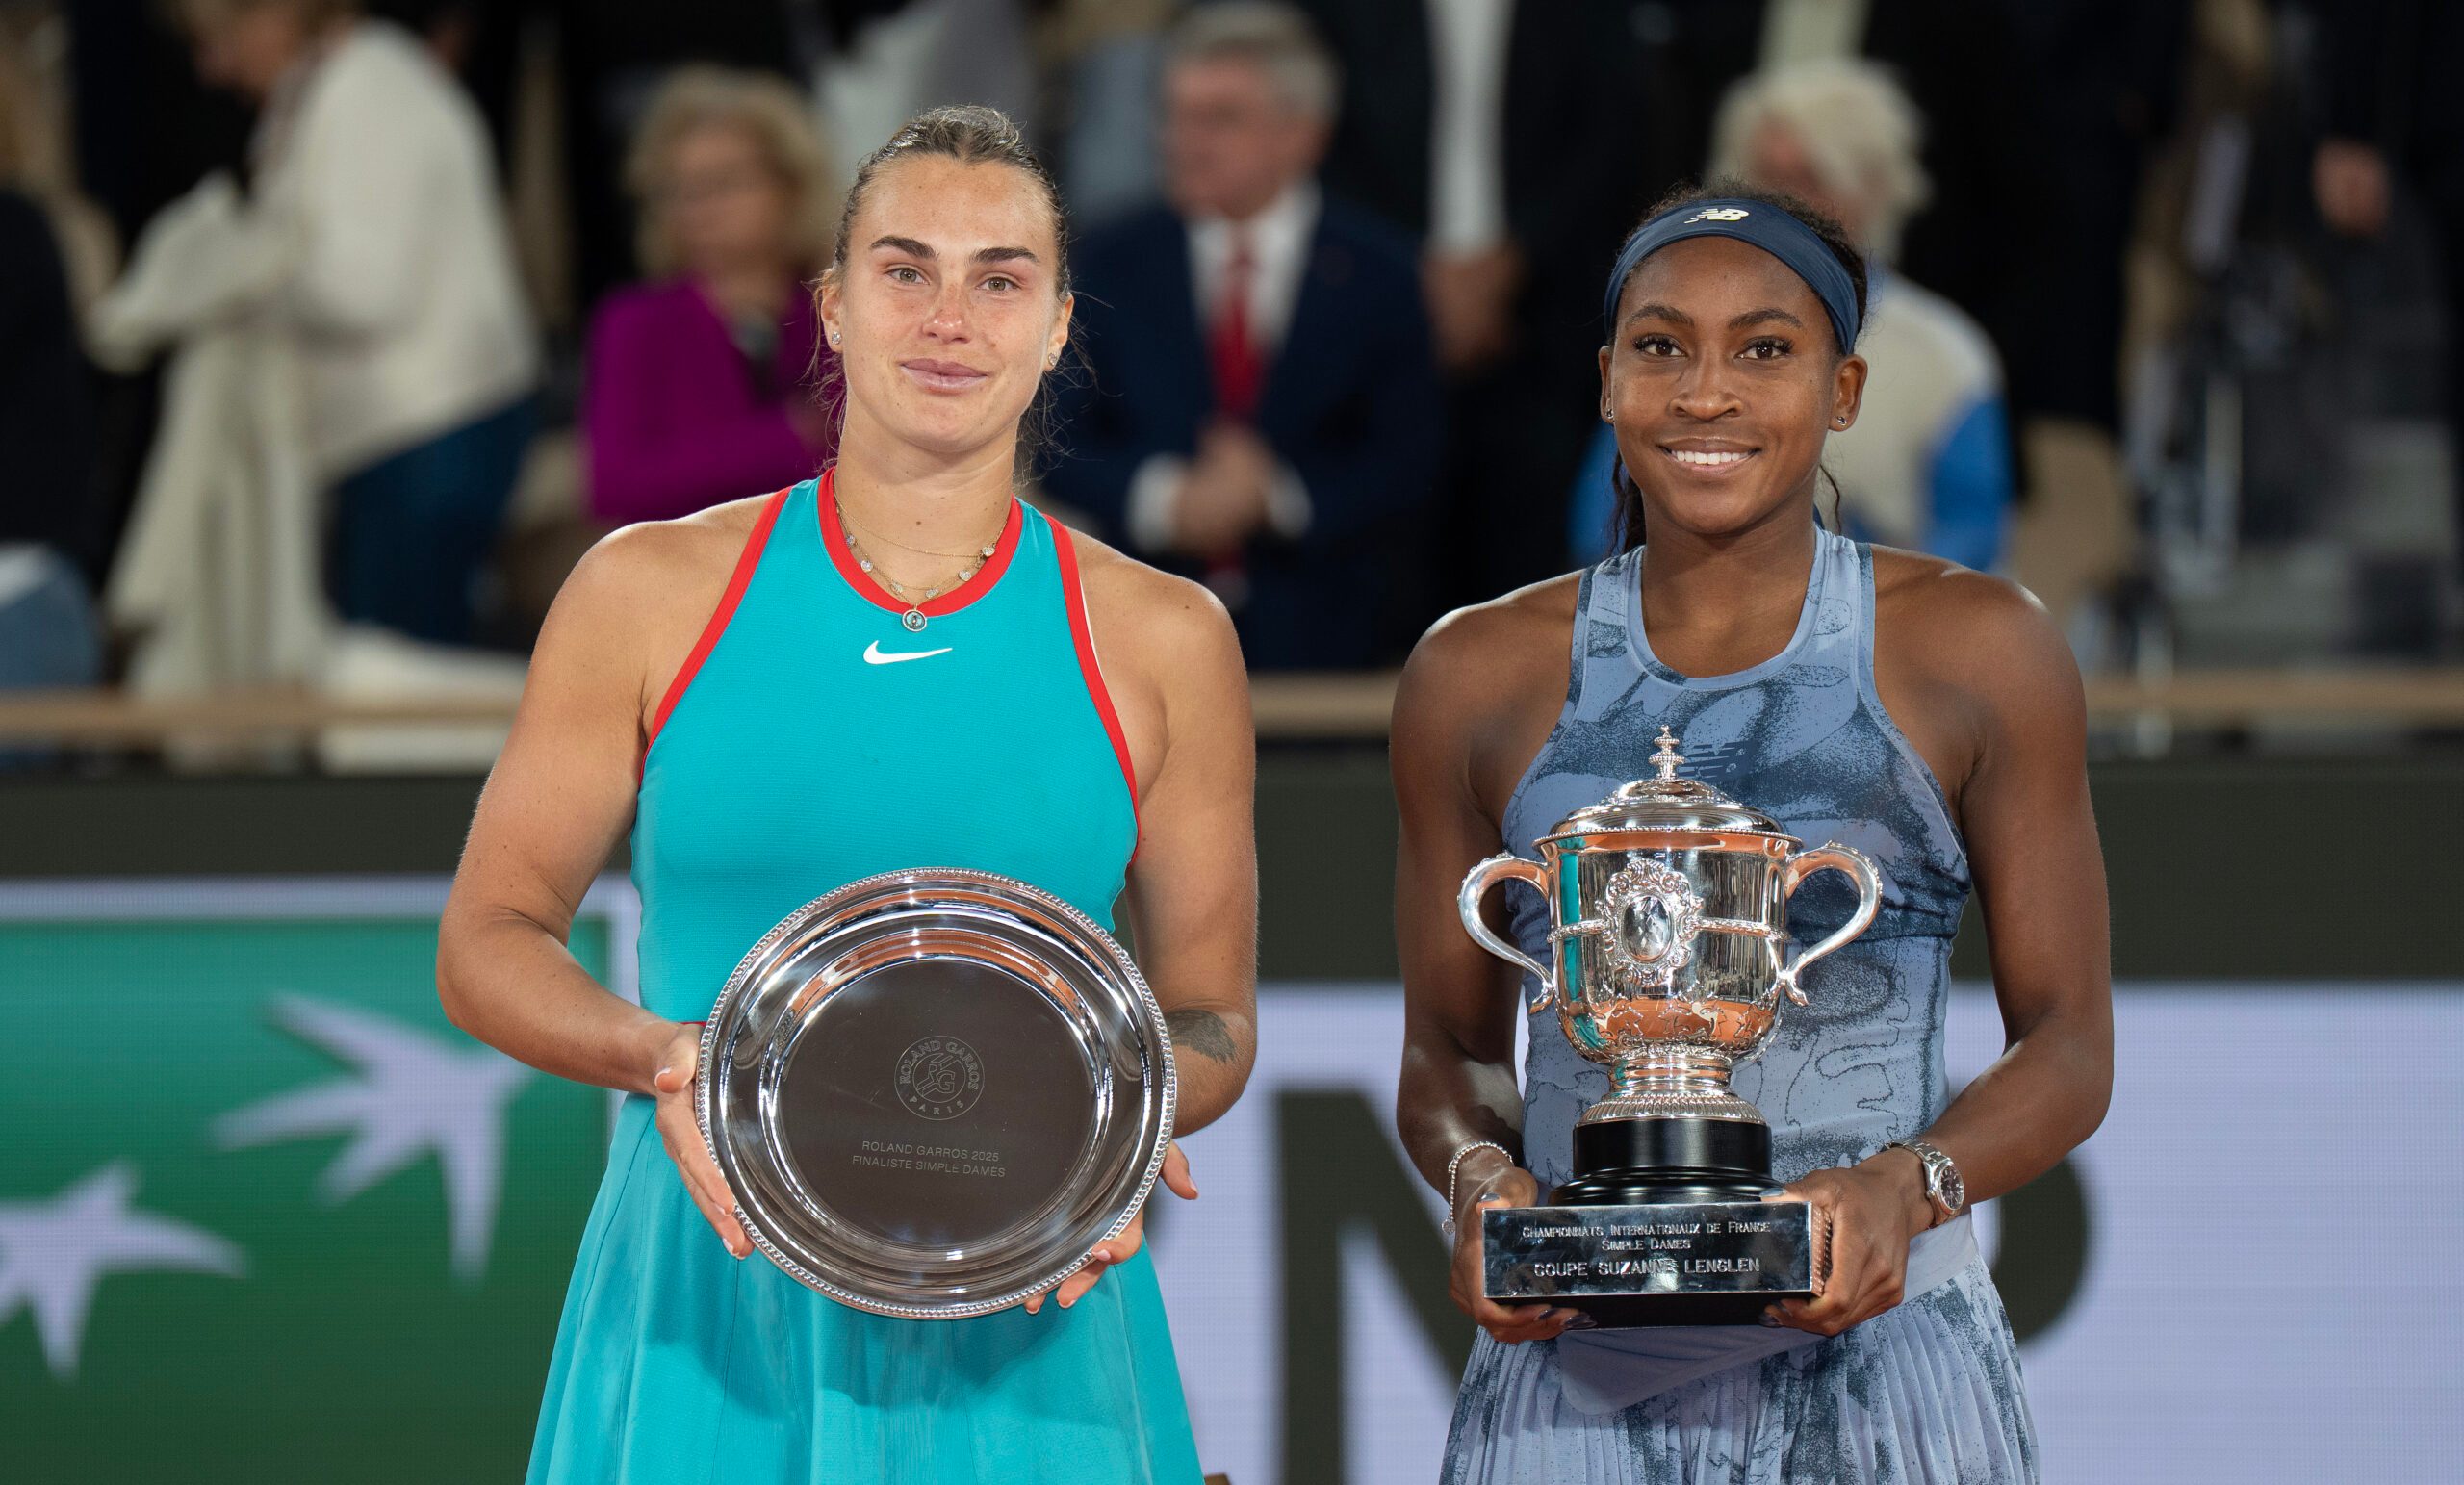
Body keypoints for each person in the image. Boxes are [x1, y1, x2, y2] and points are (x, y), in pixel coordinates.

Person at [437, 106, 1256, 1483]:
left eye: (1000, 278)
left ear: (1058, 325)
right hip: (710, 1288)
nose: (951, 316)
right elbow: (488, 936)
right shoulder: (646, 590)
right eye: (904, 268)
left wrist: (1130, 1123)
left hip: (1028, 1307)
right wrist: (664, 1056)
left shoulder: (1167, 637)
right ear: (830, 306)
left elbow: (1211, 1011)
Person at [1393, 186, 2112, 1481]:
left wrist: (1913, 1180)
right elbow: (1447, 1054)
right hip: (1569, 1388)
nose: (1706, 390)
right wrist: (1479, 1182)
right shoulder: (1473, 672)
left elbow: (2070, 1044)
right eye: (1662, 345)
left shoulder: (1981, 646)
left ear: (1844, 391)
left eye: (1764, 349)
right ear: (1608, 379)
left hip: (1894, 1377)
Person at [1046, 1, 1441, 669]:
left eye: (1220, 118)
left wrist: (1278, 497)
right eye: (1174, 114)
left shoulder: (1382, 273)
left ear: (1303, 133)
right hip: (1138, 634)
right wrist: (1168, 500)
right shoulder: (1106, 261)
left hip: (1330, 640)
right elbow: (1060, 434)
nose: (1183, 140)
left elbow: (1412, 456)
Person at [156, 0, 539, 646]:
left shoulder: (367, 91)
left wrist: (229, 286)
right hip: (401, 440)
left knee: (398, 689)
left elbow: (360, 291)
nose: (212, 69)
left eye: (220, 39)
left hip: (427, 438)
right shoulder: (326, 90)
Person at [1568, 61, 2015, 571]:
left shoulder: (1946, 354)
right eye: (1768, 177)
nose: (1787, 205)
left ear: (1876, 187)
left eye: (1813, 178)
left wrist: (1853, 622)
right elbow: (1600, 525)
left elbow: (1972, 539)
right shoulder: (1666, 328)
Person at [583, 67, 841, 525]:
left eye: (724, 182)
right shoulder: (636, 321)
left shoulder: (839, 311)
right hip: (685, 576)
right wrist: (789, 436)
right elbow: (615, 486)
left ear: (791, 185)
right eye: (681, 190)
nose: (699, 209)